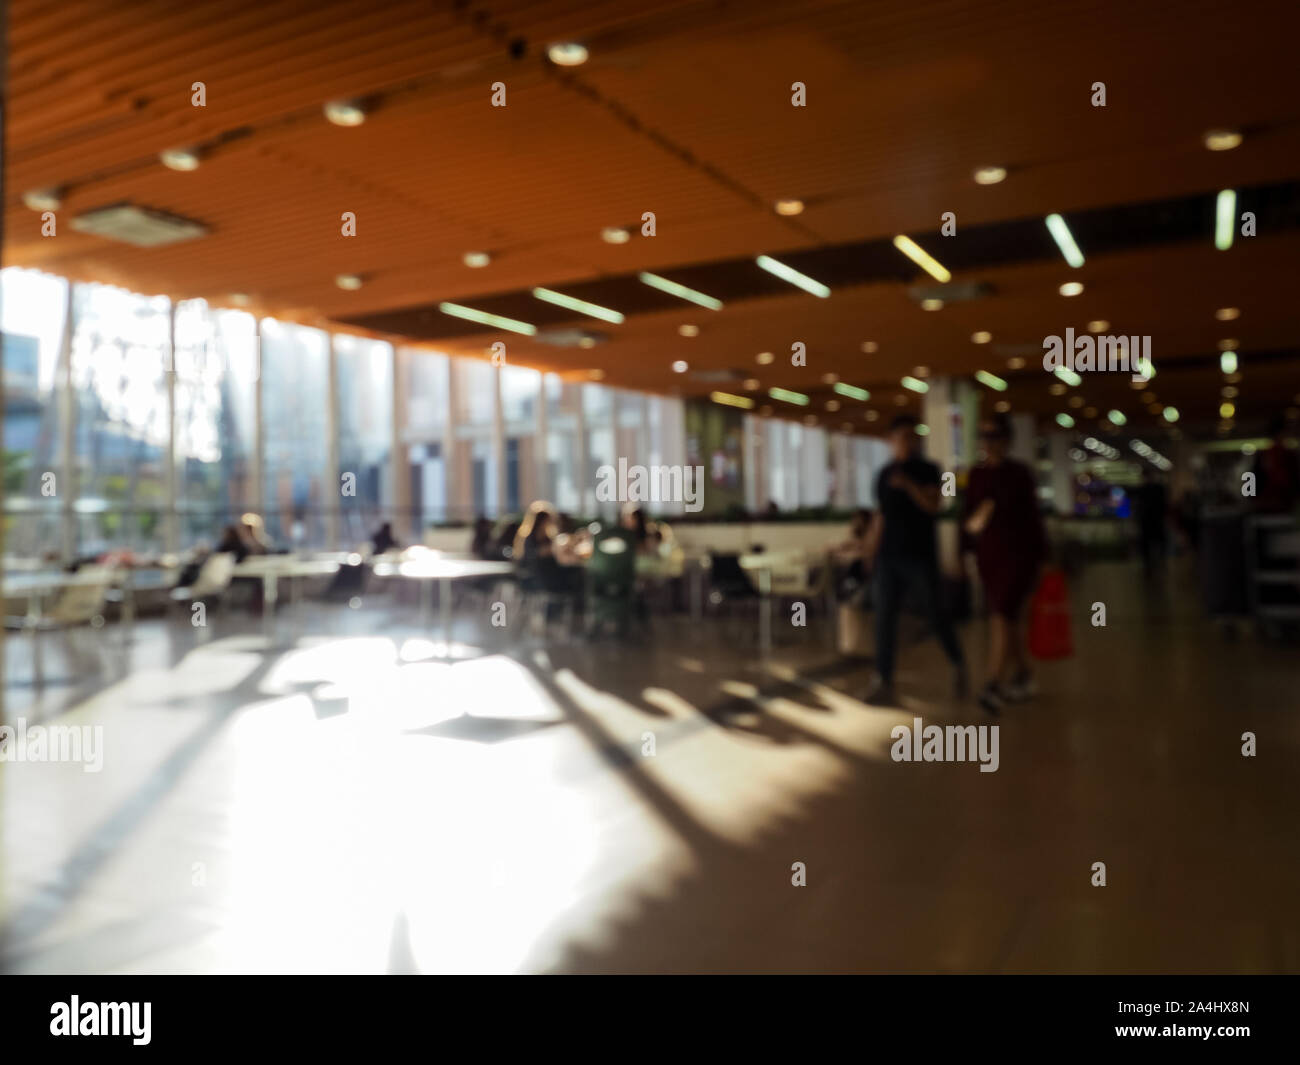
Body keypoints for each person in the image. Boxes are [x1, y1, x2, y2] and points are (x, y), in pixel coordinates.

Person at [863, 414, 965, 704]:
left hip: (920, 557)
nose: (908, 441)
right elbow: (879, 516)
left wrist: (908, 485)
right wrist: (871, 550)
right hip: (888, 558)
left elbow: (934, 505)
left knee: (935, 613)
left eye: (912, 436)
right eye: (902, 436)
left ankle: (957, 661)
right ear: (891, 440)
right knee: (884, 618)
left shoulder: (931, 470)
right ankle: (883, 679)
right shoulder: (883, 474)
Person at [962, 414, 1047, 713]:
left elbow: (1033, 519)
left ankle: (992, 683)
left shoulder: (1019, 474)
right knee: (1007, 620)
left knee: (1001, 616)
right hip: (990, 558)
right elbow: (968, 519)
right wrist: (966, 549)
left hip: (1018, 557)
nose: (988, 442)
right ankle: (1024, 674)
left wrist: (1042, 559)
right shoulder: (976, 474)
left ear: (1007, 440)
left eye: (994, 436)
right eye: (984, 436)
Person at [1131, 468, 1168, 578]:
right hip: (1154, 520)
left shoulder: (1143, 489)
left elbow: (1138, 506)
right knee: (1156, 542)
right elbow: (1164, 505)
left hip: (1148, 520)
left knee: (1149, 543)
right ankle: (1157, 562)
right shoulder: (1158, 488)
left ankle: (1151, 564)